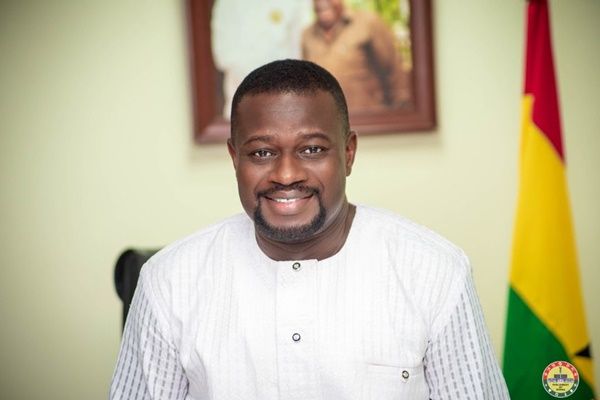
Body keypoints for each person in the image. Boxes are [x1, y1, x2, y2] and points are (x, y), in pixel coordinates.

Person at [109, 59, 509, 399]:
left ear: (348, 153)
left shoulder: (435, 271)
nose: (286, 174)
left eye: (312, 149)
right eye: (262, 152)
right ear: (234, 158)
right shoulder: (169, 281)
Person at [302, 0, 410, 112]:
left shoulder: (368, 22)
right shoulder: (307, 35)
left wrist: (402, 109)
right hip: (327, 119)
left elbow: (394, 69)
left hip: (369, 116)